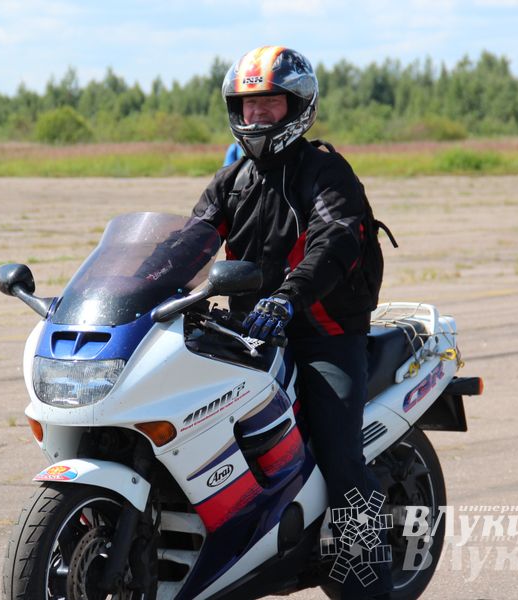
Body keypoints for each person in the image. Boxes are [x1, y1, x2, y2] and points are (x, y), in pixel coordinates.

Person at [191, 46, 391, 599]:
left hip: (321, 333)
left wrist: (287, 298)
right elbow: (188, 245)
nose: (256, 117)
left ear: (297, 107)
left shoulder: (325, 171)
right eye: (247, 106)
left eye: (269, 104)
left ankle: (366, 585)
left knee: (339, 454)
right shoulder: (231, 180)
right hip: (247, 334)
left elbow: (332, 243)